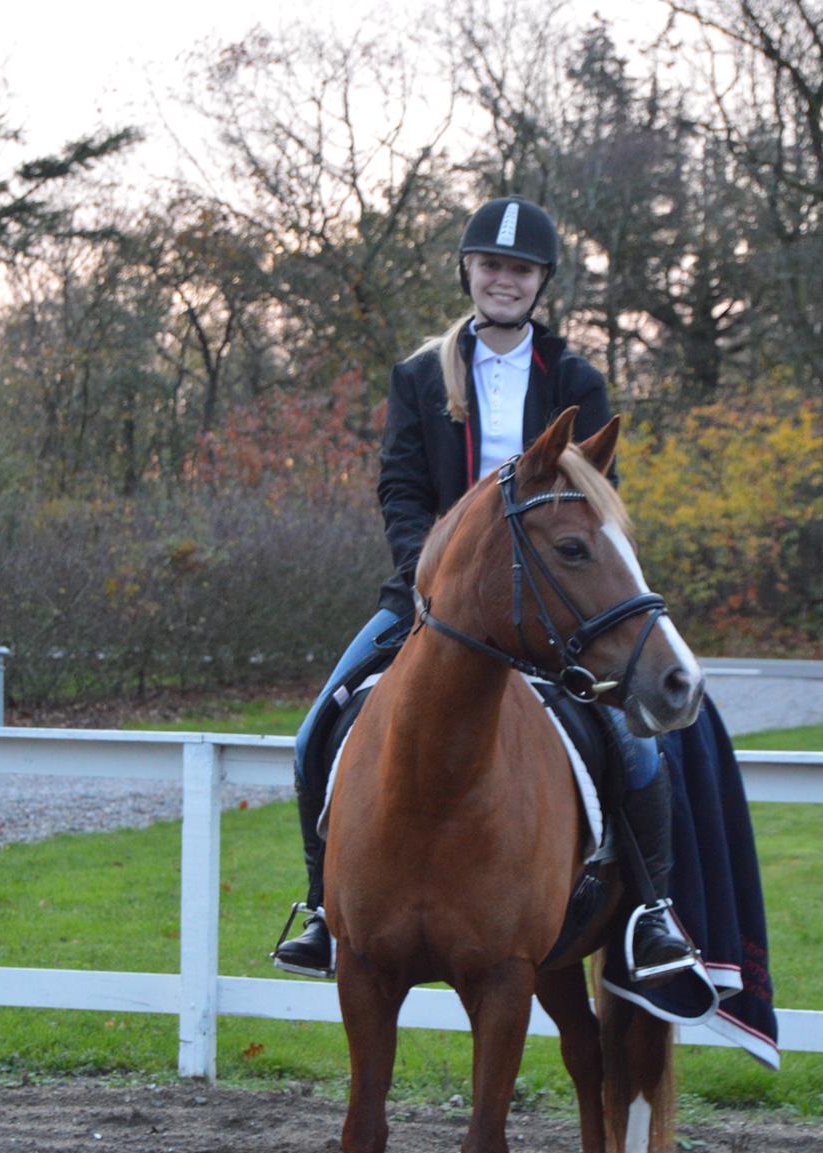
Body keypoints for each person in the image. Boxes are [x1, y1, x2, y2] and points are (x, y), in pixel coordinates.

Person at [274, 195, 696, 982]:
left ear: (542, 283)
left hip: (547, 605)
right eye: (492, 265)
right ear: (468, 270)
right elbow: (401, 489)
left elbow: (598, 500)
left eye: (521, 269)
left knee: (638, 749)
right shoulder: (418, 376)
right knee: (311, 736)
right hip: (428, 600)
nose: (505, 280)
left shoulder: (574, 378)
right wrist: (426, 572)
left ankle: (651, 916)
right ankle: (324, 912)